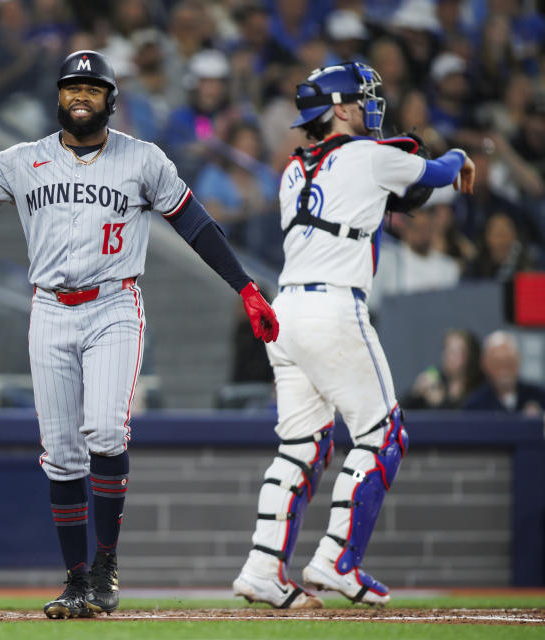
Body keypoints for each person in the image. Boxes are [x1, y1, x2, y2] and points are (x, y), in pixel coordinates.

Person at [0, 49, 278, 619]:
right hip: (49, 309)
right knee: (62, 454)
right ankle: (76, 580)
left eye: (92, 89)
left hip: (113, 305)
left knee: (104, 428)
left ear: (110, 100)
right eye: (72, 87)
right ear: (58, 97)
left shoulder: (143, 160)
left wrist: (245, 287)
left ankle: (105, 565)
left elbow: (196, 224)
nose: (81, 96)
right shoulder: (24, 160)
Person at [231, 62, 475, 609]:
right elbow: (435, 173)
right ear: (339, 107)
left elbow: (385, 193)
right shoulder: (366, 155)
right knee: (383, 435)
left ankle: (262, 568)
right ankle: (337, 559)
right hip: (334, 308)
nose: (370, 105)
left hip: (285, 314)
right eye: (361, 98)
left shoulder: (294, 168)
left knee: (301, 446)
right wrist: (461, 157)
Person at [462, 331, 545, 415]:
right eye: (498, 363)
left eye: (508, 362)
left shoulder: (540, 398)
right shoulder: (474, 406)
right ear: (485, 364)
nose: (504, 370)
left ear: (518, 361)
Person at [405, 328, 483, 410]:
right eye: (446, 350)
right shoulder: (436, 380)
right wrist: (416, 393)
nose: (448, 357)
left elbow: (461, 419)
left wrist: (440, 403)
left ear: (469, 356)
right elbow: (400, 413)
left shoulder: (479, 388)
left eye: (454, 352)